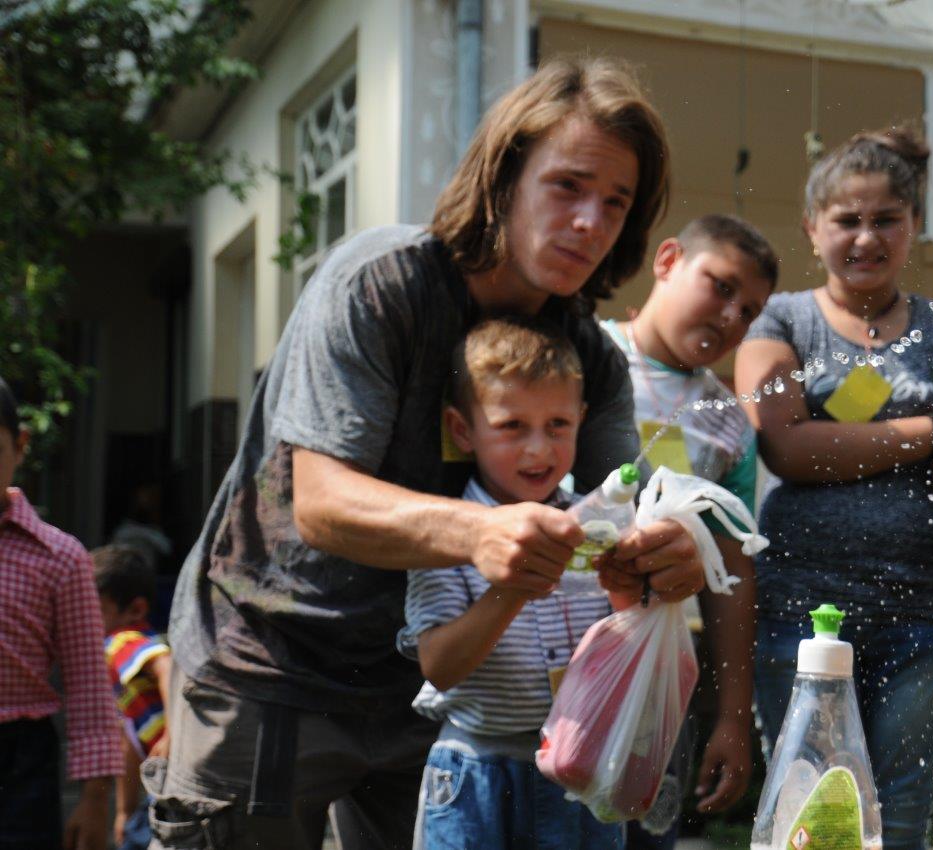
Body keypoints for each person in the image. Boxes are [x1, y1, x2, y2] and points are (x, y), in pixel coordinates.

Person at [156, 56, 705, 850]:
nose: (591, 221)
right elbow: (321, 502)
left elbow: (631, 509)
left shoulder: (592, 357)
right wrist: (480, 533)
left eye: (616, 203)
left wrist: (672, 550)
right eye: (567, 186)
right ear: (503, 180)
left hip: (438, 699)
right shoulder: (379, 284)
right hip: (271, 664)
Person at [734, 128, 933, 850]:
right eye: (847, 220)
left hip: (922, 613)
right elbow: (787, 447)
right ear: (811, 227)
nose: (866, 237)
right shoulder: (781, 319)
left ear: (914, 223)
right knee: (808, 810)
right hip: (801, 609)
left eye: (886, 219)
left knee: (901, 811)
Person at [402, 317, 630, 848]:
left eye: (558, 425)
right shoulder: (445, 534)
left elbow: (627, 633)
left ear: (582, 420)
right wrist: (514, 585)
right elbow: (439, 665)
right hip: (477, 769)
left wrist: (631, 582)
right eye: (511, 426)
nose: (538, 450)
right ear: (463, 430)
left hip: (582, 767)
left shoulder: (598, 527)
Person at [600, 213, 776, 847]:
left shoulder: (728, 424)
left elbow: (733, 572)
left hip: (655, 687)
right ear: (668, 260)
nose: (731, 317)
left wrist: (732, 717)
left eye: (749, 311)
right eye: (721, 287)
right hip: (545, 670)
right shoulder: (586, 356)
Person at [0, 376, 122, 850]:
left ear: (21, 445)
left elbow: (89, 686)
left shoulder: (61, 558)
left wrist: (95, 799)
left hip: (20, 765)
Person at [92, 544, 173, 850]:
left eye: (94, 611)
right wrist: (124, 812)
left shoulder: (122, 641)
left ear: (136, 610)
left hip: (174, 769)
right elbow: (127, 741)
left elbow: (167, 667)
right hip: (162, 777)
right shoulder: (117, 661)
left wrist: (173, 734)